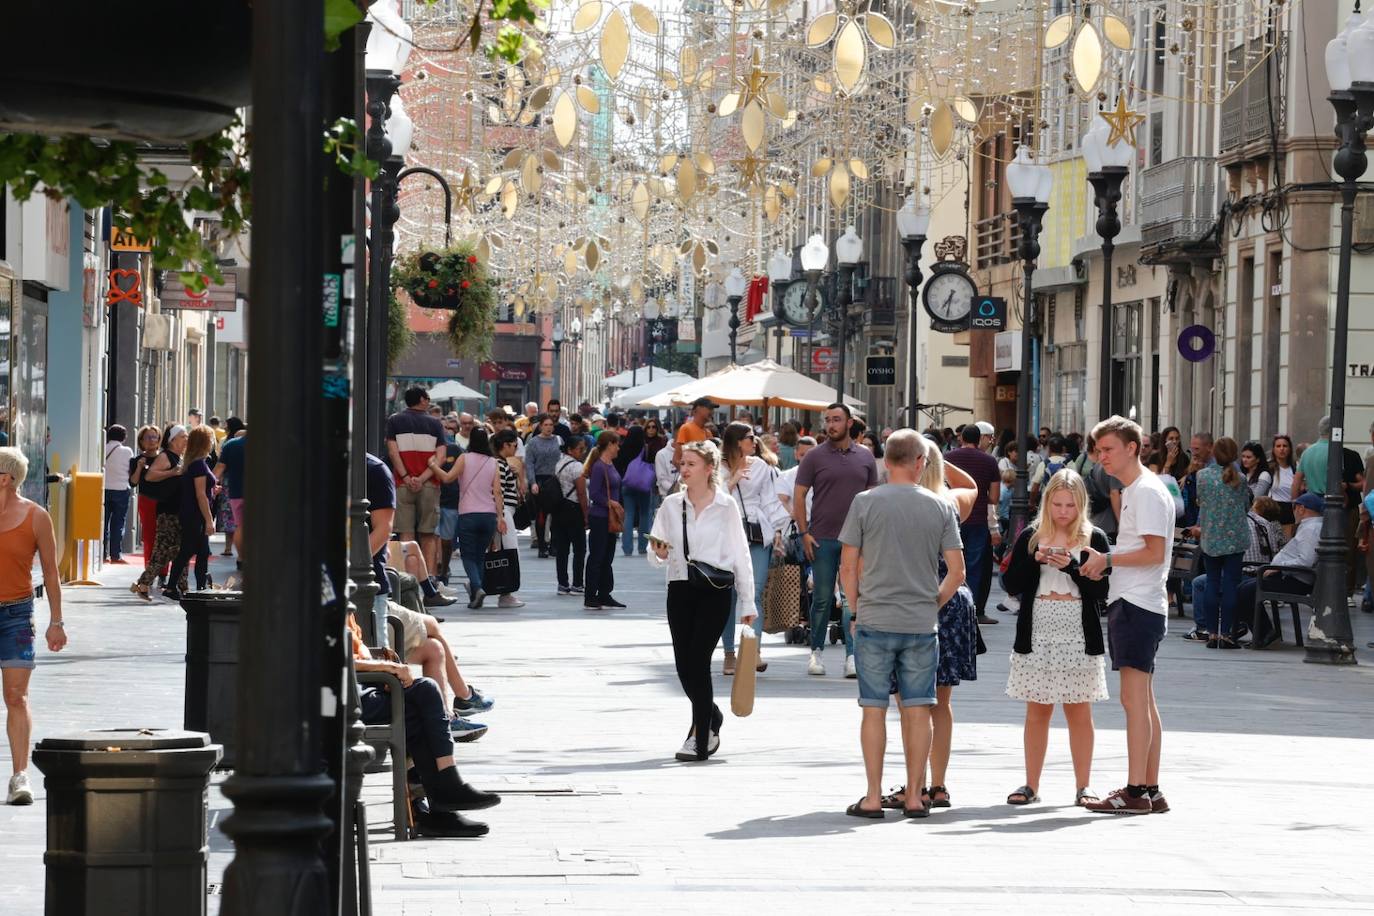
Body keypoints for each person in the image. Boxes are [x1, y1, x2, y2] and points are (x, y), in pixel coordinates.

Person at [837, 430, 964, 819]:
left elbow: (847, 566)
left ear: (886, 460)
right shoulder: (939, 507)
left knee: (873, 709)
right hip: (920, 624)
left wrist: (856, 610)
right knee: (918, 709)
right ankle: (914, 796)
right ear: (920, 463)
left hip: (875, 618)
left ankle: (873, 797)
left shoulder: (864, 503)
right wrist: (932, 604)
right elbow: (956, 572)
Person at [1078, 416, 1176, 815]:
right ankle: (1150, 788)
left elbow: (1153, 552)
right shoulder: (1140, 489)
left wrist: (1108, 558)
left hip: (1137, 601)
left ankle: (1136, 790)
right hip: (1139, 600)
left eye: (1108, 449)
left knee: (1134, 700)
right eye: (1099, 450)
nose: (1101, 457)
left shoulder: (1147, 491)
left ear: (1132, 447)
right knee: (1143, 700)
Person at [1002, 468, 1110, 808]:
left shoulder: (1094, 538)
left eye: (1071, 505)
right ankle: (1030, 784)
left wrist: (1070, 567)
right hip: (1039, 626)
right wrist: (1034, 561)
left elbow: (1102, 590)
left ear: (1082, 505)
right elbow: (1011, 585)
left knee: (1079, 712)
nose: (1064, 512)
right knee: (1038, 710)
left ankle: (1084, 786)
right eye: (1058, 504)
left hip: (1078, 627)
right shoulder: (1031, 536)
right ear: (1047, 503)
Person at [648, 440, 756, 762]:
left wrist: (748, 602)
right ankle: (711, 715)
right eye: (682, 464)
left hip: (716, 591)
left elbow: (741, 553)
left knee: (698, 661)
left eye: (691, 464)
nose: (684, 469)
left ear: (709, 469)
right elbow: (655, 551)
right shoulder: (670, 505)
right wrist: (659, 553)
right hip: (680, 588)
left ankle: (700, 734)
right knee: (684, 667)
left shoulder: (726, 506)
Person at [350, 614, 499, 837]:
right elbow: (336, 657)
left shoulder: (338, 598)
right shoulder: (320, 598)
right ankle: (445, 788)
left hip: (361, 686)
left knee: (419, 710)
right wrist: (387, 667)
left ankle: (436, 808)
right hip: (349, 695)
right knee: (426, 691)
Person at [794, 404, 878, 678]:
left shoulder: (866, 456)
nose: (831, 425)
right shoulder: (814, 457)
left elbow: (873, 499)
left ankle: (852, 655)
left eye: (836, 420)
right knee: (821, 598)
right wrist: (804, 532)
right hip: (823, 538)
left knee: (852, 599)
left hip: (857, 540)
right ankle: (815, 652)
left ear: (849, 423)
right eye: (827, 420)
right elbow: (799, 495)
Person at [0, 447, 65, 805]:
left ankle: (19, 777)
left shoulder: (36, 517)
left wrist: (56, 622)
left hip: (16, 616)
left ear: (6, 478)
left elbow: (52, 575)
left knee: (15, 696)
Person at [719, 421, 789, 675]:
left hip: (757, 532)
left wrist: (779, 529)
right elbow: (711, 498)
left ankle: (752, 652)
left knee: (755, 592)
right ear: (737, 441)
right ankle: (729, 653)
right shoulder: (718, 465)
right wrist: (733, 479)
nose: (754, 440)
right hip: (726, 533)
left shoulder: (762, 466)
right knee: (729, 595)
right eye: (749, 436)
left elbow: (771, 500)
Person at [427, 428, 505, 609]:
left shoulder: (464, 458)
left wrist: (432, 466)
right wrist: (500, 517)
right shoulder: (494, 462)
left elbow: (447, 478)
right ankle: (476, 592)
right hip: (489, 515)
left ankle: (477, 588)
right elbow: (498, 492)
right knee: (480, 556)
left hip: (468, 514)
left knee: (468, 556)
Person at [1235, 492, 1324, 649]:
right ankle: (1262, 632)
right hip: (1291, 576)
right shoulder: (1311, 526)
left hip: (1295, 580)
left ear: (1302, 508)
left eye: (1294, 508)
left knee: (1246, 590)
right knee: (1244, 587)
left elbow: (1306, 560)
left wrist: (1277, 568)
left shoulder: (1311, 529)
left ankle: (1264, 634)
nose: (1293, 512)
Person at [1188, 437, 1251, 649]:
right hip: (1234, 539)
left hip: (1211, 537)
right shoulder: (1240, 478)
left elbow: (1199, 502)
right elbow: (1245, 505)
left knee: (1212, 584)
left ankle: (1212, 632)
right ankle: (1226, 634)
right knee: (1231, 584)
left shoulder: (1202, 476)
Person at [386, 386, 448, 597]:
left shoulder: (394, 420)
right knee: (428, 533)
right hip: (429, 483)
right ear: (422, 400)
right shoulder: (435, 423)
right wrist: (422, 478)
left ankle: (405, 578)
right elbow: (440, 456)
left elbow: (393, 451)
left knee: (405, 532)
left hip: (403, 483)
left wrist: (406, 477)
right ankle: (429, 579)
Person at [945, 424, 1001, 626]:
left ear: (961, 438)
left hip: (952, 518)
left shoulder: (948, 458)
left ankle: (951, 607)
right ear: (980, 439)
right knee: (975, 567)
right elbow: (994, 497)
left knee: (951, 565)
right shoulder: (989, 461)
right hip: (978, 520)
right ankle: (973, 611)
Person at [131, 426, 190, 600]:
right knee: (164, 552)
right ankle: (146, 584)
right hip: (168, 512)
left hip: (176, 511)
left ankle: (178, 586)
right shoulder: (166, 456)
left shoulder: (177, 457)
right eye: (183, 436)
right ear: (172, 440)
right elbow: (150, 476)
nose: (186, 440)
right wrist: (172, 472)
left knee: (176, 551)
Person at [163, 427, 217, 600]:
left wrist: (212, 491)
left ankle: (201, 587)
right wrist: (209, 520)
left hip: (191, 513)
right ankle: (172, 587)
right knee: (187, 550)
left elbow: (200, 492)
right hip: (195, 515)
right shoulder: (199, 465)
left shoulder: (194, 463)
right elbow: (200, 495)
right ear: (206, 442)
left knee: (202, 551)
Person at [583, 431, 624, 611]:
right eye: (616, 444)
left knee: (607, 557)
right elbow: (594, 494)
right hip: (600, 517)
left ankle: (605, 593)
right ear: (610, 445)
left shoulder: (610, 464)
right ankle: (591, 595)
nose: (618, 448)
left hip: (610, 518)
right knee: (597, 557)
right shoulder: (600, 467)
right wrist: (611, 503)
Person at [490, 429, 526, 609]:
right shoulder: (499, 465)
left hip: (505, 511)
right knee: (509, 551)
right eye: (513, 446)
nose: (515, 449)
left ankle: (504, 591)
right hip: (504, 512)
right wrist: (500, 516)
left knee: (506, 550)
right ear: (505, 445)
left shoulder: (502, 464)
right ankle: (506, 592)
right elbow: (498, 492)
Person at [551, 437, 589, 596]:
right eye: (580, 449)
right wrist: (586, 514)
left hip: (559, 508)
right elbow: (581, 492)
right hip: (574, 509)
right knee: (579, 548)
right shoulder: (577, 467)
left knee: (562, 549)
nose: (583, 452)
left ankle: (562, 583)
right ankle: (578, 584)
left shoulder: (559, 463)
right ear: (570, 450)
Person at [524, 415, 563, 559]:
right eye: (546, 425)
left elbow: (562, 459)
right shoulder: (533, 442)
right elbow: (529, 464)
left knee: (557, 515)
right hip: (539, 480)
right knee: (541, 515)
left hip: (555, 479)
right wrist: (532, 482)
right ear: (540, 426)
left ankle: (554, 545)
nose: (548, 427)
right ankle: (542, 546)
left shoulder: (558, 440)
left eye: (551, 425)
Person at [211, 417, 246, 566]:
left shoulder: (231, 445)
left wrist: (209, 485)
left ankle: (241, 559)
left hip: (236, 492)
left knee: (240, 526)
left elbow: (219, 469)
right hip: (261, 493)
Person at [615, 424, 653, 557]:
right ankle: (642, 546)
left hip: (627, 484)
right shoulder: (645, 448)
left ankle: (627, 547)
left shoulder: (622, 448)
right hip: (643, 484)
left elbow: (617, 466)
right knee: (644, 514)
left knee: (629, 514)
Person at [128, 426, 163, 566]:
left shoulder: (164, 459)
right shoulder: (136, 460)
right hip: (146, 500)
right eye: (148, 437)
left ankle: (162, 572)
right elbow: (133, 483)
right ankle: (149, 569)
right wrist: (139, 468)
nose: (151, 440)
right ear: (141, 441)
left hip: (165, 501)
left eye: (154, 437)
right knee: (149, 537)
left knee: (163, 537)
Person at [102, 425, 134, 563]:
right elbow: (130, 470)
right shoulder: (127, 451)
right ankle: (116, 554)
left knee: (104, 523)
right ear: (124, 437)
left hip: (104, 489)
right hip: (121, 489)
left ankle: (102, 554)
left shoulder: (103, 448)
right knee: (118, 523)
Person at [673, 397, 716, 466]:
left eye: (712, 408)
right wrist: (689, 473)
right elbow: (676, 460)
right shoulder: (686, 428)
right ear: (697, 409)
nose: (712, 411)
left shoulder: (708, 432)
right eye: (709, 408)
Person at [1269, 434, 1297, 532]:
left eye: (1285, 446)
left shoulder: (1295, 468)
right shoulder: (1269, 469)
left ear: (1290, 449)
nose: (1282, 449)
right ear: (1273, 449)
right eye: (1278, 446)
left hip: (1291, 511)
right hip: (1273, 510)